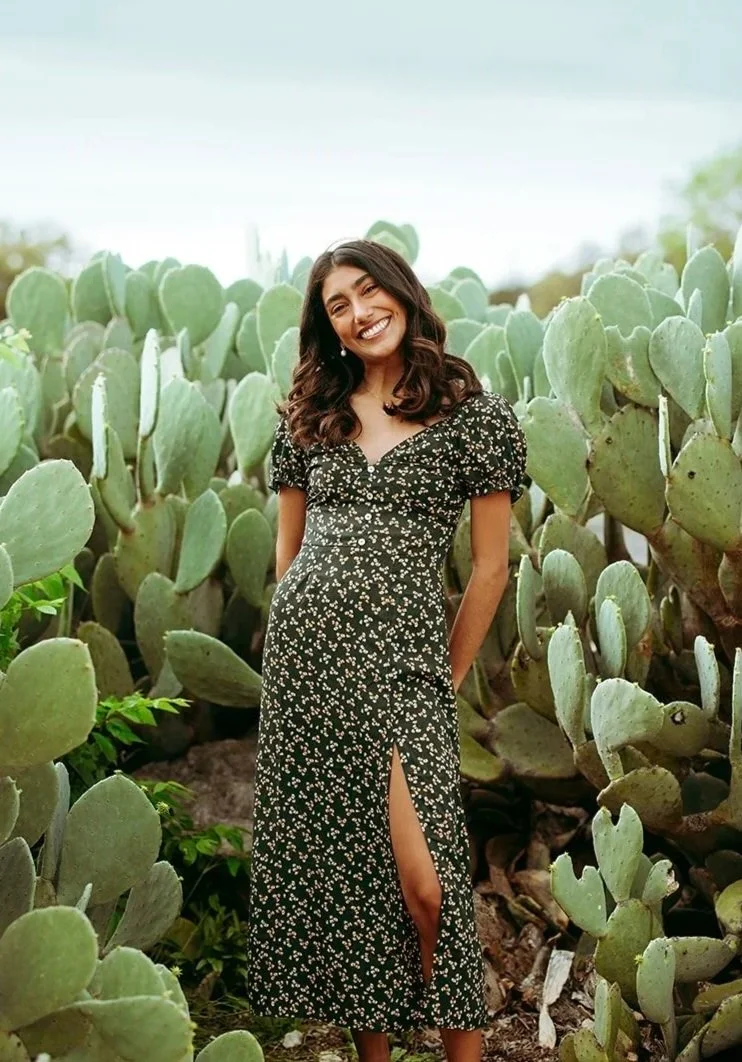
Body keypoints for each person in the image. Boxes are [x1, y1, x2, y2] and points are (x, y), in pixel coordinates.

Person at [245, 238, 528, 1062]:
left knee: (428, 885)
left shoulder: (473, 418)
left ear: (402, 296)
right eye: (339, 304)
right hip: (309, 672)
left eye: (370, 293)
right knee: (352, 881)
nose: (359, 312)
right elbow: (286, 555)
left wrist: (447, 673)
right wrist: (302, 639)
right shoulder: (309, 414)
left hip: (405, 670)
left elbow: (489, 569)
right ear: (328, 326)